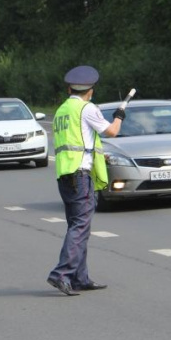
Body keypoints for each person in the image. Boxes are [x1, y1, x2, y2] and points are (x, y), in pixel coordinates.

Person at [47, 65, 125, 295]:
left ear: (69, 89)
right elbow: (111, 131)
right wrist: (119, 117)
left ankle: (79, 277)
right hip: (80, 174)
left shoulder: (62, 110)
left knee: (77, 226)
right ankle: (61, 274)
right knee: (80, 227)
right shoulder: (86, 108)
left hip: (65, 173)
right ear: (90, 90)